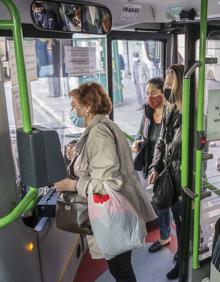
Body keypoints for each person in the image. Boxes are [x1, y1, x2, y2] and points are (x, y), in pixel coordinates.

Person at [55, 82, 150, 282]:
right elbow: (100, 164)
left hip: (113, 215)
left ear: (88, 105)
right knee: (121, 268)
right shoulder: (102, 127)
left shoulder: (98, 133)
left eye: (75, 105)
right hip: (119, 210)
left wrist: (71, 185)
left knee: (121, 271)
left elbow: (108, 182)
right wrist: (78, 155)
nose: (73, 110)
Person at [148, 64, 184, 280]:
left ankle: (183, 260)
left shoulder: (194, 113)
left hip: (184, 178)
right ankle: (181, 256)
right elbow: (161, 141)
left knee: (184, 223)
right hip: (171, 176)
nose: (167, 88)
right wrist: (154, 167)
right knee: (177, 222)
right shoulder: (170, 109)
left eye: (170, 83)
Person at [131, 77, 171, 252]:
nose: (150, 97)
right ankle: (165, 235)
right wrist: (137, 142)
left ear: (163, 92)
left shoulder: (172, 113)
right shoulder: (148, 111)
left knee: (166, 203)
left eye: (153, 93)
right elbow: (140, 133)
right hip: (150, 162)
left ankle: (168, 236)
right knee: (160, 202)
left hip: (166, 164)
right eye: (147, 94)